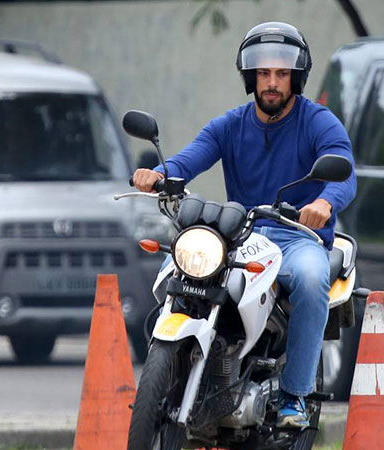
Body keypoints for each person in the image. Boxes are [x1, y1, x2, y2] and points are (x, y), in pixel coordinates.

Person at [132, 21, 356, 428]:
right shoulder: (230, 124)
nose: (272, 83)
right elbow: (189, 159)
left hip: (297, 236)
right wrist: (159, 173)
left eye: (282, 74)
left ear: (296, 77)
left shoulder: (318, 121)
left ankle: (295, 395)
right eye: (264, 73)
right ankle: (174, 375)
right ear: (251, 76)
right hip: (240, 233)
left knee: (310, 278)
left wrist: (324, 201)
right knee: (175, 271)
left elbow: (346, 173)